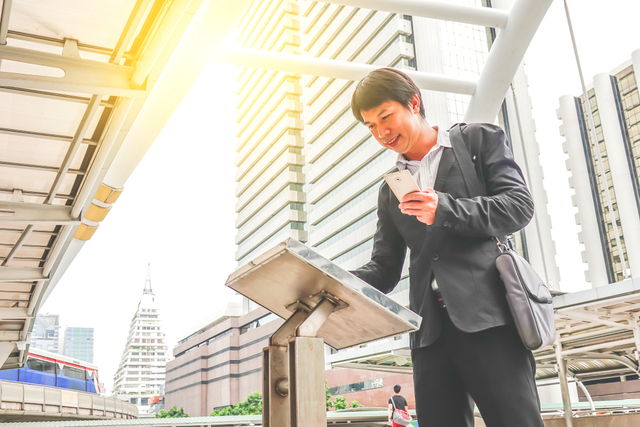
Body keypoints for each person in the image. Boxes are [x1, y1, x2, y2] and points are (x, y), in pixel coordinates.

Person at [350, 68, 543, 427]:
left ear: (413, 102)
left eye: (385, 117)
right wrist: (332, 279)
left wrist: (446, 208)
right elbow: (385, 269)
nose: (381, 133)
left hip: (489, 320)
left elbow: (519, 207)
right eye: (370, 126)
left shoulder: (477, 142)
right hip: (429, 335)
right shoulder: (390, 187)